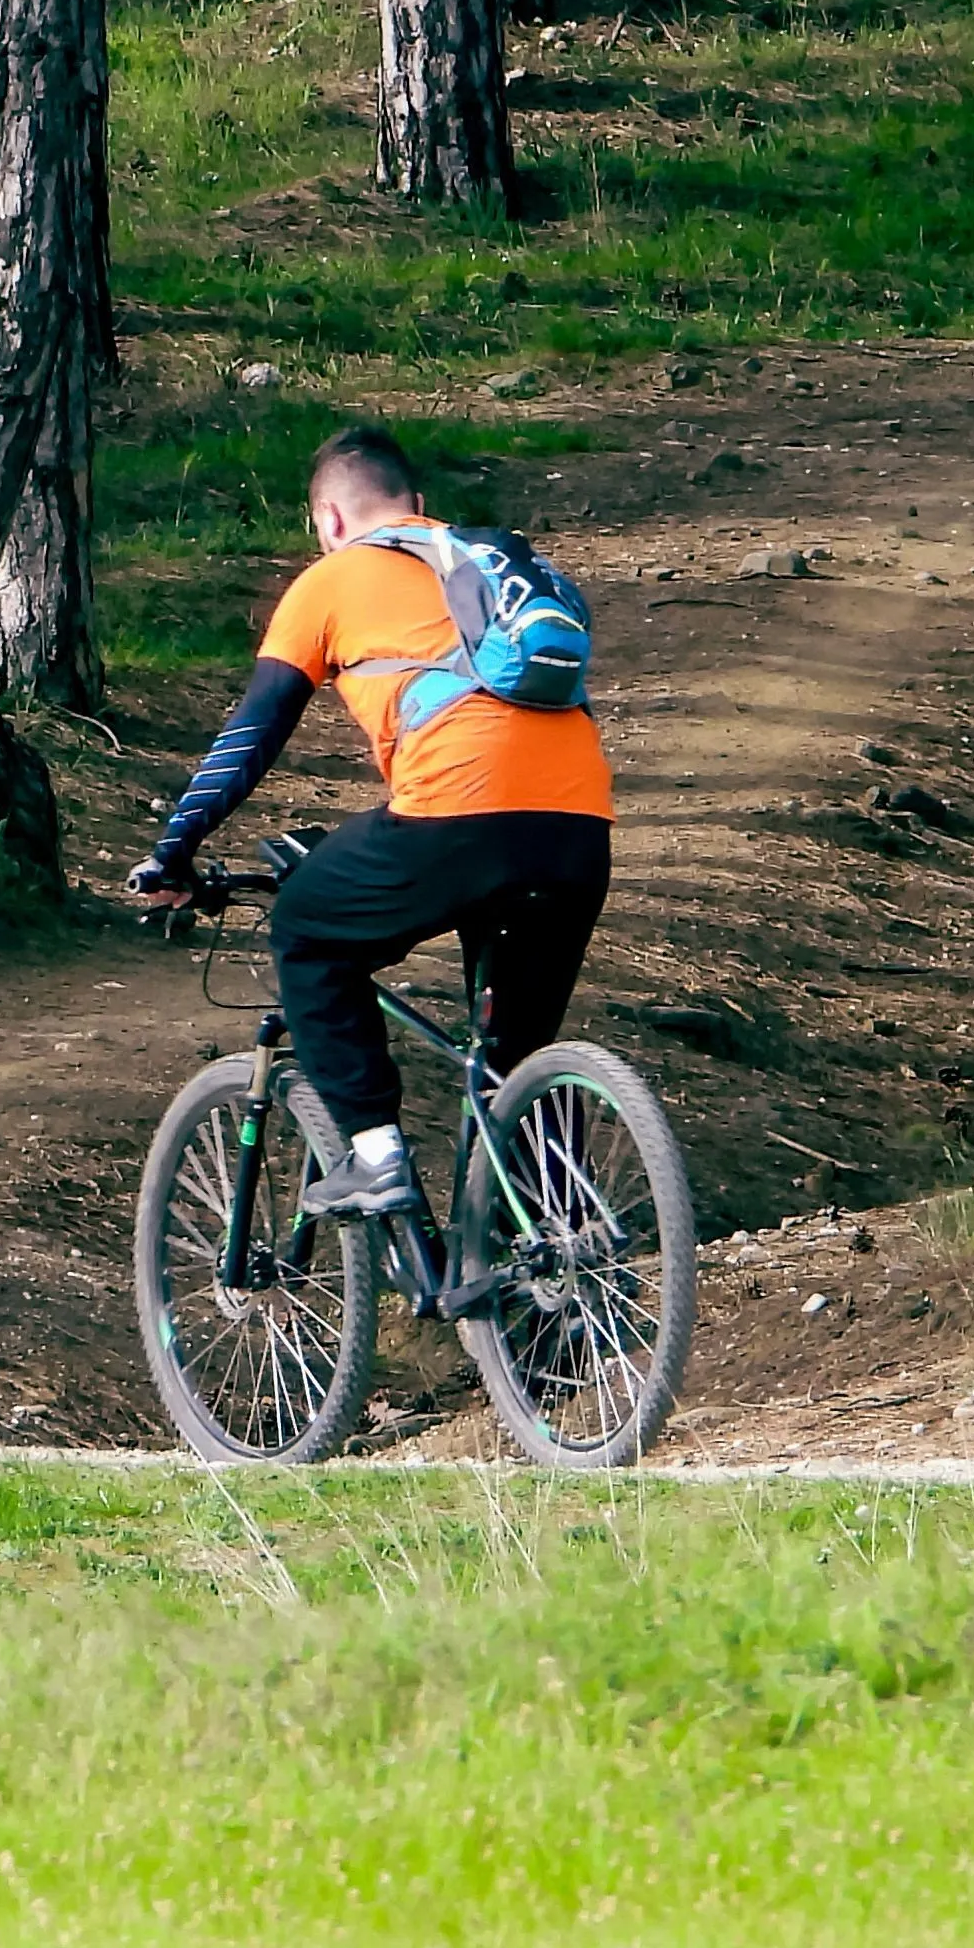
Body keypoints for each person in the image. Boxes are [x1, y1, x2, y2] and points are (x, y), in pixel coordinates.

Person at [128, 423, 613, 1312]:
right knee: (513, 1057)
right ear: (417, 507)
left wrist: (175, 849)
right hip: (578, 826)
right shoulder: (476, 563)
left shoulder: (330, 581)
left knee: (307, 929)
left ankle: (376, 1157)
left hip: (458, 811)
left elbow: (250, 736)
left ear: (330, 521)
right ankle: (559, 1282)